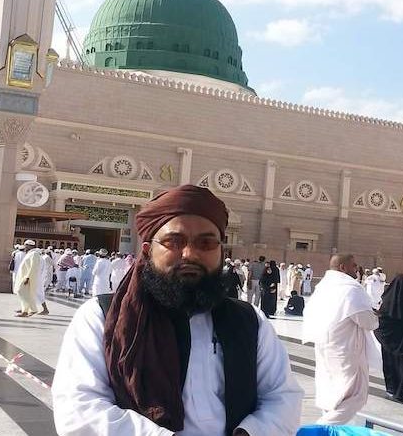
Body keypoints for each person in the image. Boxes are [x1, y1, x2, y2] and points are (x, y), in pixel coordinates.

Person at [52, 185, 303, 436]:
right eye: (174, 242)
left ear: (220, 252)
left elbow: (283, 397)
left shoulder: (248, 320)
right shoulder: (103, 316)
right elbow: (79, 408)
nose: (190, 254)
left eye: (206, 243)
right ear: (148, 251)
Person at [303, 254, 380, 425]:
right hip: (346, 349)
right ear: (343, 267)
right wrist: (376, 317)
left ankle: (327, 431)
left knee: (331, 393)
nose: (356, 269)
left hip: (326, 346)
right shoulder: (350, 288)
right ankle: (321, 428)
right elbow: (366, 321)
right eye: (353, 265)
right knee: (355, 395)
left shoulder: (323, 286)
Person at [374, 274, 403, 406]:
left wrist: (388, 342)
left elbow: (379, 327)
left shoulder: (386, 308)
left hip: (390, 346)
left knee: (391, 366)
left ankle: (392, 389)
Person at [14, 240, 41, 318]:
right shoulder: (29, 253)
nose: (25, 247)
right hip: (24, 277)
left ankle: (29, 310)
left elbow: (33, 267)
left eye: (26, 245)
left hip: (27, 278)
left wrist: (28, 277)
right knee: (24, 293)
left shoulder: (34, 254)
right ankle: (26, 309)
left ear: (30, 246)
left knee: (22, 292)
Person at [36, 250, 53, 315]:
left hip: (38, 280)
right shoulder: (42, 259)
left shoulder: (40, 259)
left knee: (39, 294)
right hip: (40, 279)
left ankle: (45, 309)